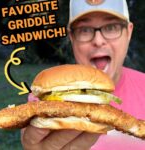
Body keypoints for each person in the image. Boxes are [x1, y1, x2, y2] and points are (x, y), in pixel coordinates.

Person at [21, 0, 145, 149]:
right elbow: (29, 133)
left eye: (111, 27)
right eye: (84, 30)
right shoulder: (48, 91)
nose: (98, 41)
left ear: (129, 32)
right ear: (71, 37)